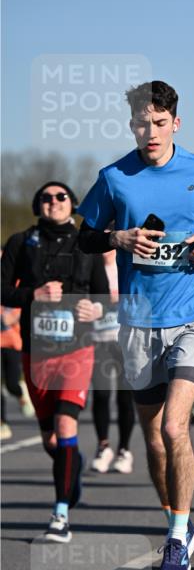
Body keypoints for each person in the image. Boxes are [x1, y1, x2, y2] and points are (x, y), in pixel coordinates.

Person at [77, 80, 194, 570]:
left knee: (175, 426)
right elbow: (85, 234)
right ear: (131, 125)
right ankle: (180, 520)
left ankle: (175, 543)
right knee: (153, 436)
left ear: (175, 122)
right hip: (138, 321)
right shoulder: (114, 177)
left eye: (158, 122)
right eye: (140, 123)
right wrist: (117, 236)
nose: (149, 132)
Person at [1, 182, 108, 541]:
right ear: (38, 205)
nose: (53, 202)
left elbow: (104, 298)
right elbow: (3, 291)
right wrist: (33, 293)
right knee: (52, 441)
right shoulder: (20, 242)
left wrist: (94, 308)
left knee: (65, 425)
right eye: (46, 198)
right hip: (37, 351)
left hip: (77, 349)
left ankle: (60, 515)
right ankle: (70, 475)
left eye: (61, 197)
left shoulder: (86, 244)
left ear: (72, 204)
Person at [89, 249, 136, 474]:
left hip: (126, 342)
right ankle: (103, 446)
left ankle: (124, 450)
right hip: (99, 340)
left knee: (125, 398)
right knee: (101, 395)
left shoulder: (126, 265)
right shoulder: (90, 264)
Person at [1, 296, 34, 439]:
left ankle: (21, 393)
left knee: (11, 384)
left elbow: (21, 307)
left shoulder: (11, 284)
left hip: (13, 344)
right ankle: (2, 423)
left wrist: (12, 316)